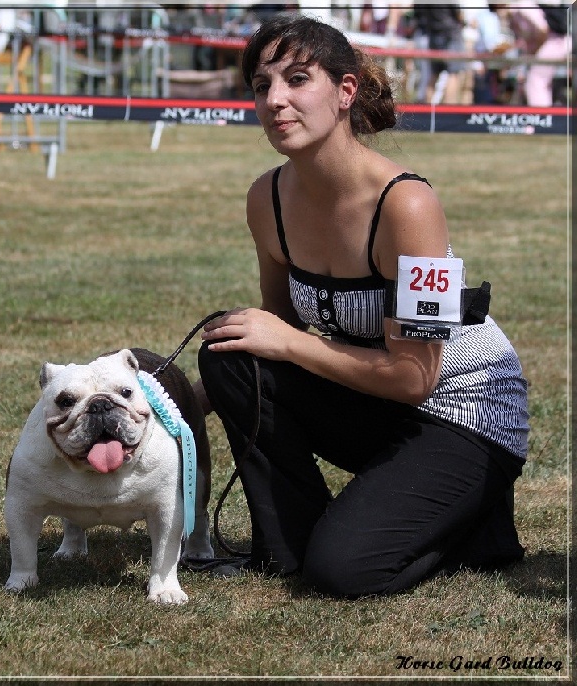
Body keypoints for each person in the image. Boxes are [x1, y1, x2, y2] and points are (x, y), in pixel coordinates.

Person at [195, 12, 529, 597]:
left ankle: (477, 521)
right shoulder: (265, 197)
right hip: (373, 397)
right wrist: (176, 398)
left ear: (345, 92)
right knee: (232, 355)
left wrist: (291, 343)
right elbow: (279, 333)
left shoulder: (409, 204)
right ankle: (288, 548)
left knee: (345, 570)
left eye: (297, 80)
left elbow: (415, 376)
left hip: (464, 414)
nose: (275, 100)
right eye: (261, 85)